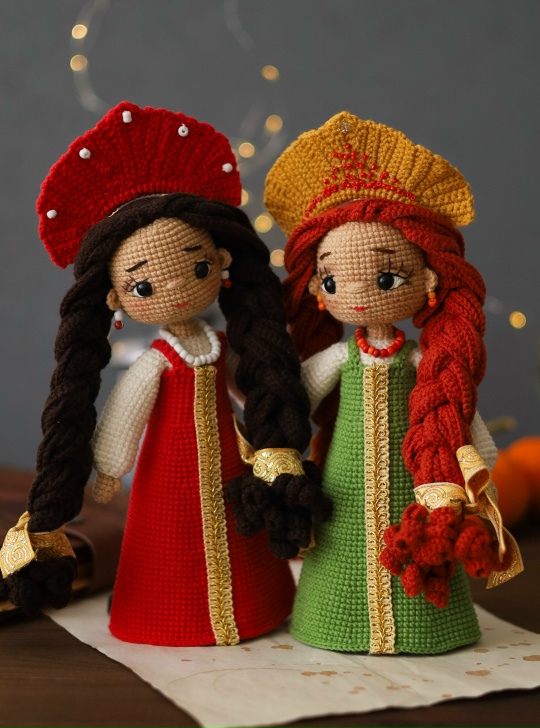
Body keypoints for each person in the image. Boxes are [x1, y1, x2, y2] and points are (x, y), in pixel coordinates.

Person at [0, 102, 329, 646]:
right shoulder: (155, 362)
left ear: (222, 263)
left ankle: (257, 607)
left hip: (231, 468)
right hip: (166, 478)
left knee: (240, 541)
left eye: (196, 268)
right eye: (145, 285)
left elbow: (251, 390)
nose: (176, 289)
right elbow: (123, 415)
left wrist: (275, 426)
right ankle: (167, 615)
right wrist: (110, 468)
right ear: (115, 299)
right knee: (167, 541)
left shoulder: (221, 347)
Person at [264, 112, 522, 654]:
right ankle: (331, 619)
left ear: (428, 279)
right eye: (334, 279)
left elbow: (457, 414)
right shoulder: (337, 359)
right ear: (317, 289)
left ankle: (427, 629)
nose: (358, 296)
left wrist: (480, 473)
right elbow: (293, 400)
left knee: (423, 555)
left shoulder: (427, 363)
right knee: (339, 551)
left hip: (418, 484)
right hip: (341, 486)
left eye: (385, 278)